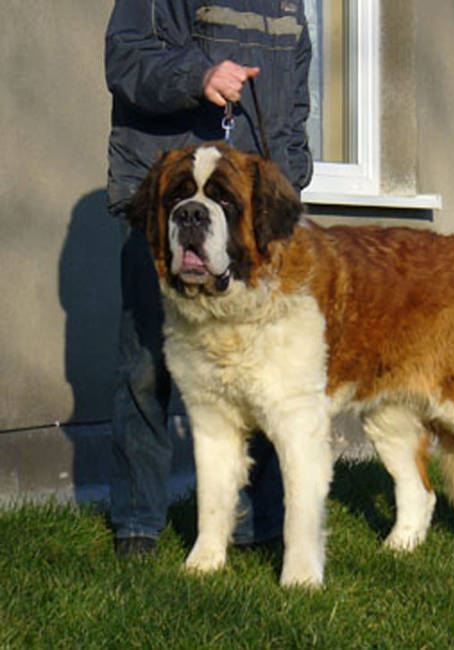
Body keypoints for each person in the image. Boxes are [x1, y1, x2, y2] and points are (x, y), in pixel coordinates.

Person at [105, 0, 313, 555]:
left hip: (249, 221)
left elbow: (295, 105)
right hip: (166, 205)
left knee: (264, 373)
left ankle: (256, 523)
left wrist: (288, 183)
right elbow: (125, 59)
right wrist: (198, 77)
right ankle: (138, 522)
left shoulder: (290, 6)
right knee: (146, 366)